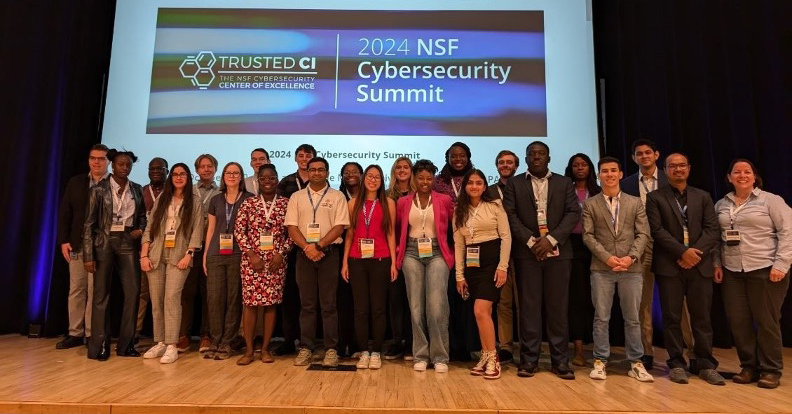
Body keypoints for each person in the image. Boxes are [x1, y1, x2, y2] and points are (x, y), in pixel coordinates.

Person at [645, 153, 725, 385]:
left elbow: (712, 230)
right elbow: (657, 230)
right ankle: (677, 363)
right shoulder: (655, 198)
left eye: (682, 166)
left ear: (689, 168)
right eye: (673, 166)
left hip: (699, 266)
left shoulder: (703, 196)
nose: (678, 170)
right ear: (665, 170)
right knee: (671, 318)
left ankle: (705, 364)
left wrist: (693, 254)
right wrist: (682, 252)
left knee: (702, 319)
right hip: (670, 265)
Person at [502, 141, 580, 379]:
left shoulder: (564, 183)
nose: (536, 157)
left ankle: (560, 361)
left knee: (558, 309)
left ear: (549, 157)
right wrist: (532, 241)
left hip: (559, 253)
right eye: (531, 154)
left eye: (541, 154)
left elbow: (573, 213)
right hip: (527, 254)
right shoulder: (515, 184)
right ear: (525, 159)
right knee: (529, 308)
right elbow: (510, 215)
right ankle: (529, 360)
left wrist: (552, 239)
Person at [713, 159, 792, 389]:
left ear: (754, 177)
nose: (742, 175)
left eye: (747, 172)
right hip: (732, 271)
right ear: (729, 177)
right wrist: (717, 264)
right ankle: (749, 366)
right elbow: (717, 238)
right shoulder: (721, 204)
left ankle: (770, 370)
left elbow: (788, 233)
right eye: (736, 172)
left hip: (765, 269)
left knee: (766, 322)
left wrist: (781, 265)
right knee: (739, 322)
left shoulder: (771, 201)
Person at [582, 157, 653, 382]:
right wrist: (607, 258)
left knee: (632, 318)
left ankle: (636, 362)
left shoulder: (635, 203)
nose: (609, 175)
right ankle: (600, 360)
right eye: (605, 171)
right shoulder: (591, 204)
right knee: (601, 317)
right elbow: (588, 236)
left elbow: (643, 234)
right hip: (602, 268)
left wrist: (631, 257)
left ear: (621, 174)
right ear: (599, 176)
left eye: (614, 171)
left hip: (631, 269)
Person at [285, 156, 350, 367]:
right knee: (307, 305)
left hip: (329, 254)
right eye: (313, 170)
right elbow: (292, 228)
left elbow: (340, 227)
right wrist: (307, 248)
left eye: (321, 170)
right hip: (304, 255)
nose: (316, 173)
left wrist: (319, 246)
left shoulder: (337, 196)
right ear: (308, 171)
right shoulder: (296, 197)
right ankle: (306, 348)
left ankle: (331, 349)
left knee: (329, 305)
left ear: (327, 173)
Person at [82, 149, 146, 360]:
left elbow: (143, 217)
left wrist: (140, 229)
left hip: (127, 240)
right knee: (101, 295)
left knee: (133, 291)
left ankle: (126, 345)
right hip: (104, 241)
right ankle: (99, 346)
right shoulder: (99, 189)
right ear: (113, 165)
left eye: (128, 164)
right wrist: (88, 255)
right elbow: (89, 224)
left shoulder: (136, 189)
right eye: (120, 164)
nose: (124, 167)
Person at [140, 163, 204, 364]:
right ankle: (159, 341)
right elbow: (149, 227)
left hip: (180, 256)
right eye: (175, 174)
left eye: (182, 174)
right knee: (157, 300)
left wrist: (189, 254)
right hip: (156, 254)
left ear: (188, 177)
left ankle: (171, 345)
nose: (178, 178)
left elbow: (197, 229)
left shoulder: (194, 200)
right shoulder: (163, 198)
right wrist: (143, 255)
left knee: (171, 298)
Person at [395, 160, 455, 372]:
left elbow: (452, 229)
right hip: (411, 253)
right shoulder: (403, 202)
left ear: (434, 179)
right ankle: (421, 354)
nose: (425, 182)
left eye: (429, 178)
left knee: (437, 306)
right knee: (416, 307)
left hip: (437, 252)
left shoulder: (444, 200)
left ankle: (440, 356)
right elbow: (399, 230)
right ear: (414, 178)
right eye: (421, 178)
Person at [453, 169, 511, 379]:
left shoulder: (495, 206)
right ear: (465, 186)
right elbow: (459, 244)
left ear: (485, 186)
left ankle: (493, 358)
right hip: (471, 265)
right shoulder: (459, 210)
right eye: (471, 183)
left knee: (481, 310)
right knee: (479, 313)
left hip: (492, 263)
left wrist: (502, 266)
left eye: (479, 183)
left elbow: (506, 237)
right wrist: (460, 275)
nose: (474, 187)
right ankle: (486, 356)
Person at [234, 164, 293, 365]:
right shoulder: (248, 203)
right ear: (257, 180)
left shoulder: (286, 204)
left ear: (277, 180)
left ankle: (266, 349)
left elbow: (292, 233)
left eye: (271, 178)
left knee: (270, 305)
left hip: (276, 262)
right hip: (252, 262)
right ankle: (249, 350)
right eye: (263, 178)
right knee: (250, 305)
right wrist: (251, 255)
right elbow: (239, 232)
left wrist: (281, 253)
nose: (267, 181)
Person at [341, 165, 397, 369]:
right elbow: (349, 235)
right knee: (361, 309)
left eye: (378, 177)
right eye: (370, 176)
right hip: (356, 260)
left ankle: (377, 352)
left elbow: (391, 233)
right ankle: (364, 351)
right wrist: (345, 262)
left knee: (379, 309)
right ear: (364, 179)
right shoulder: (353, 203)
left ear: (382, 181)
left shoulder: (388, 203)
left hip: (381, 260)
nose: (373, 180)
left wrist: (393, 262)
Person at [56, 143, 108, 349]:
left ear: (108, 162)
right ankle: (74, 333)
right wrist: (63, 240)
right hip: (76, 245)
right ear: (89, 160)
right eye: (93, 158)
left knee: (96, 291)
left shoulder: (113, 184)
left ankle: (91, 334)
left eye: (101, 158)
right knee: (76, 289)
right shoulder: (76, 182)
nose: (96, 162)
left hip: (101, 247)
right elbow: (65, 213)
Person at [202, 162, 253, 359]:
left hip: (239, 254)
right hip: (215, 253)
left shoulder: (249, 199)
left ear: (241, 176)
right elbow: (211, 229)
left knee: (233, 298)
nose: (232, 176)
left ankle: (227, 342)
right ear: (223, 176)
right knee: (214, 298)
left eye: (236, 173)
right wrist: (206, 254)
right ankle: (215, 340)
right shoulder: (215, 199)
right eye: (228, 173)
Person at [273, 143, 316, 356]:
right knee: (290, 295)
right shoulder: (287, 182)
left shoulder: (321, 182)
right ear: (295, 158)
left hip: (316, 246)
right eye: (301, 155)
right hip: (291, 245)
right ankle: (289, 339)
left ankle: (310, 340)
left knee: (310, 297)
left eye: (309, 155)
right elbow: (279, 211)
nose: (305, 158)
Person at [434, 142, 476, 361]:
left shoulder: (475, 179)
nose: (458, 159)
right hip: (445, 244)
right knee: (448, 295)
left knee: (467, 296)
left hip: (472, 244)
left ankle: (468, 346)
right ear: (447, 158)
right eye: (453, 156)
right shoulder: (437, 182)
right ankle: (449, 345)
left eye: (462, 155)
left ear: (468, 157)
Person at [179, 154, 219, 353]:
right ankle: (184, 335)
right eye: (202, 166)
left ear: (215, 169)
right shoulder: (188, 192)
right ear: (196, 170)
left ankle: (206, 335)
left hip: (211, 248)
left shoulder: (220, 193)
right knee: (187, 292)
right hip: (188, 248)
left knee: (208, 293)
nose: (206, 169)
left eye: (209, 166)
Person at [563, 153, 600, 366]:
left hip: (598, 247)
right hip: (572, 247)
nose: (580, 168)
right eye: (575, 165)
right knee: (577, 298)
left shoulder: (599, 191)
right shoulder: (566, 191)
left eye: (583, 164)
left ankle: (598, 348)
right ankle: (578, 350)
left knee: (597, 299)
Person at [487, 150, 520, 363]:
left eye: (509, 162)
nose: (505, 165)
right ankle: (506, 346)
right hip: (498, 253)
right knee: (504, 302)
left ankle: (527, 345)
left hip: (525, 251)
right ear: (497, 166)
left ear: (516, 166)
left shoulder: (524, 187)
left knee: (526, 302)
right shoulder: (488, 191)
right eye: (501, 162)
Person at [384, 156, 415, 361]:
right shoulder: (386, 196)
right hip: (392, 254)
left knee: (414, 299)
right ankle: (397, 341)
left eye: (406, 167)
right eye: (398, 168)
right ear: (394, 172)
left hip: (415, 252)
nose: (402, 170)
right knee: (395, 300)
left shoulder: (420, 194)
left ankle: (413, 343)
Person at [136, 157, 168, 342]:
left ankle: (164, 336)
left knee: (166, 295)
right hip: (144, 247)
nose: (156, 171)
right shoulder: (141, 192)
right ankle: (135, 332)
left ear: (167, 171)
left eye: (160, 168)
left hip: (167, 248)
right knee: (142, 293)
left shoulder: (172, 193)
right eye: (152, 168)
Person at [337, 162, 364, 357]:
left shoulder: (370, 197)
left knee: (359, 301)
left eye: (355, 172)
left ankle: (357, 343)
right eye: (347, 172)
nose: (351, 175)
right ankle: (340, 342)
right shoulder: (338, 197)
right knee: (341, 300)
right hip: (339, 252)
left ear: (362, 175)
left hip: (363, 253)